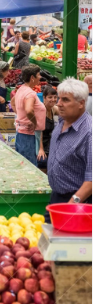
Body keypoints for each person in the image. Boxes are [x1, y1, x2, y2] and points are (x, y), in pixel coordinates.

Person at [46, 78, 92, 212]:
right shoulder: (62, 121)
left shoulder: (90, 133)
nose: (59, 103)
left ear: (81, 103)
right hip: (57, 197)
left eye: (65, 100)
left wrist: (71, 204)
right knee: (45, 232)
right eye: (59, 99)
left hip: (78, 202)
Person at [13, 65, 46, 165]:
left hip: (21, 132)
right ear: (32, 78)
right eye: (38, 75)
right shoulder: (30, 94)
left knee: (23, 163)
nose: (40, 77)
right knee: (29, 165)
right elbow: (29, 110)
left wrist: (19, 115)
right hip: (29, 134)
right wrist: (34, 123)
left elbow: (12, 102)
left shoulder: (21, 89)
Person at [37, 85, 60, 172]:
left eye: (55, 97)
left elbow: (66, 114)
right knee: (43, 160)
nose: (53, 99)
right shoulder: (42, 110)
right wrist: (41, 149)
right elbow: (39, 132)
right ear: (44, 98)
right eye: (50, 97)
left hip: (49, 142)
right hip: (40, 142)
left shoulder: (53, 109)